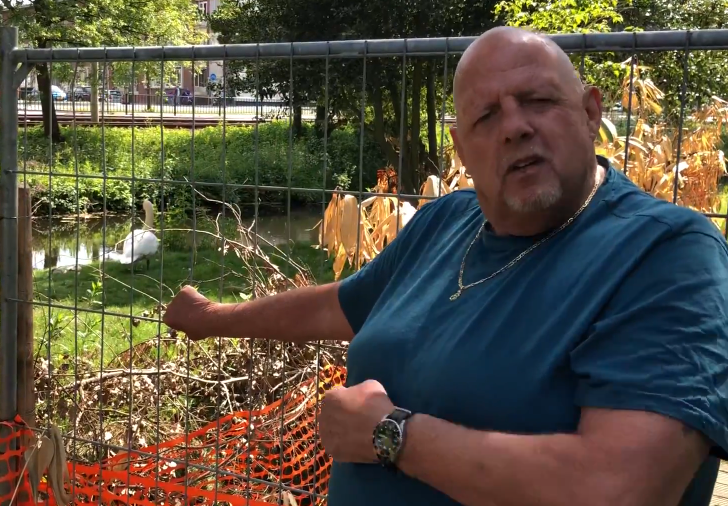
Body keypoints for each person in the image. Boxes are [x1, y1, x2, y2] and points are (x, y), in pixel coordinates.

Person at [162, 26, 728, 506]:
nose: (515, 126)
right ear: (461, 148)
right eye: (487, 116)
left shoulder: (666, 252)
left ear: (589, 112)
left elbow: (620, 488)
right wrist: (212, 317)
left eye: (537, 100)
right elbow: (339, 306)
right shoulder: (449, 220)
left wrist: (391, 435)